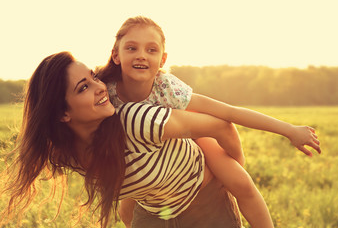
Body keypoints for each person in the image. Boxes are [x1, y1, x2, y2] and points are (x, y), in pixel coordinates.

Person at [97, 16, 321, 228]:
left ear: (163, 59)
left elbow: (228, 112)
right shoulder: (104, 90)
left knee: (241, 183)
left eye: (151, 50)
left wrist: (289, 130)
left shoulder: (167, 89)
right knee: (127, 207)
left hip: (187, 135)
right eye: (131, 48)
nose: (141, 55)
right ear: (116, 55)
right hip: (144, 156)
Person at [0, 51, 247, 228]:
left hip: (205, 203)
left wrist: (234, 176)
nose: (99, 87)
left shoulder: (135, 120)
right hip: (154, 211)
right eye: (83, 88)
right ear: (62, 113)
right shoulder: (64, 152)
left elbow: (221, 126)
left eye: (94, 77)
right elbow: (129, 173)